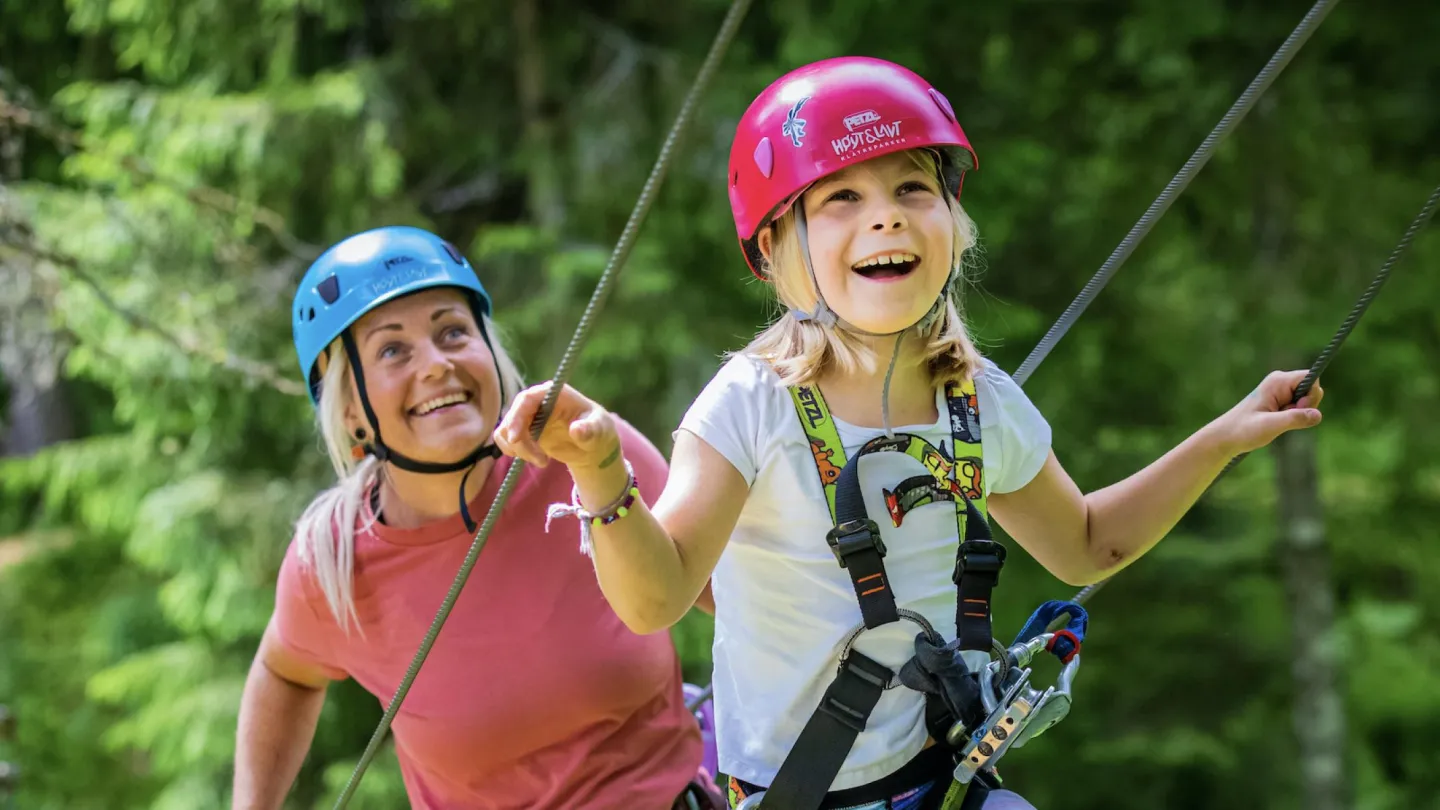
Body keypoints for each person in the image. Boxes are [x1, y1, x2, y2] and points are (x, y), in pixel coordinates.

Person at [495, 57, 1326, 810]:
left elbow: (1088, 544)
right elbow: (656, 598)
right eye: (842, 198)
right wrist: (599, 468)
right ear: (778, 246)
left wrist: (1224, 437)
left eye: (911, 189)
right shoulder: (751, 402)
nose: (885, 218)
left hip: (947, 788)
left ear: (953, 224)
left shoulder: (977, 401)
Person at [232, 225, 722, 810]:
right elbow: (285, 672)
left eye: (453, 332)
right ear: (350, 410)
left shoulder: (588, 454)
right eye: (393, 350)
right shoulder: (335, 560)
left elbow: (745, 591)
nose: (437, 365)